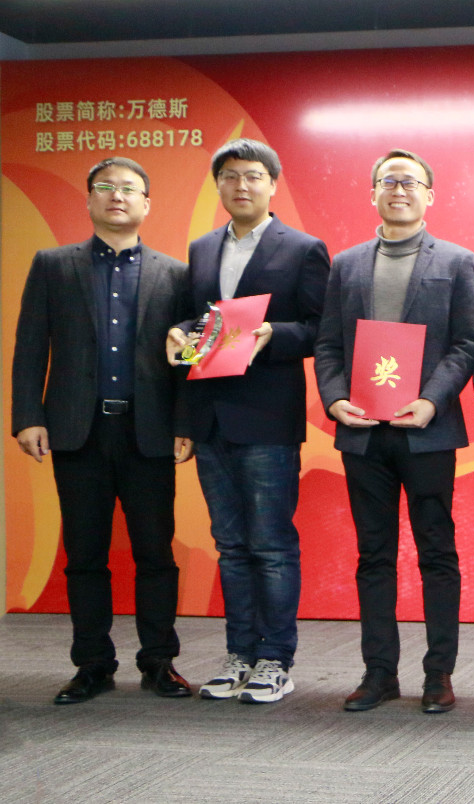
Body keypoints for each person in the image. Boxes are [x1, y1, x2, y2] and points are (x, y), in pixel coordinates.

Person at [11, 156, 194, 703]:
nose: (117, 196)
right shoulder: (53, 265)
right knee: (85, 555)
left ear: (146, 204)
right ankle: (92, 664)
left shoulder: (175, 274)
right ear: (89, 199)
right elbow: (30, 345)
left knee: (155, 554)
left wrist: (185, 423)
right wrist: (28, 415)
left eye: (129, 189)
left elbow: (188, 358)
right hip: (77, 430)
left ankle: (159, 661)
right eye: (106, 187)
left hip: (149, 431)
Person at [314, 149, 474, 713]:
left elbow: (466, 343)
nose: (399, 189)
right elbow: (328, 344)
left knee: (437, 552)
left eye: (410, 181)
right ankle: (379, 673)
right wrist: (335, 398)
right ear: (373, 194)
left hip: (426, 430)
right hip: (362, 431)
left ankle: (439, 675)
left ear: (429, 195)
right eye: (389, 181)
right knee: (373, 555)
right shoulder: (346, 264)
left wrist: (432, 400)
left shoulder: (456, 261)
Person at [165, 138, 329, 704]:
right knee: (230, 545)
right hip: (210, 415)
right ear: (219, 185)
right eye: (231, 176)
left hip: (266, 416)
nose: (242, 185)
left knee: (271, 545)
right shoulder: (202, 248)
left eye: (253, 176)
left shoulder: (303, 249)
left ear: (272, 184)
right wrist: (180, 332)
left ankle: (275, 659)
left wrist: (273, 335)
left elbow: (321, 328)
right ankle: (239, 654)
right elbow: (198, 319)